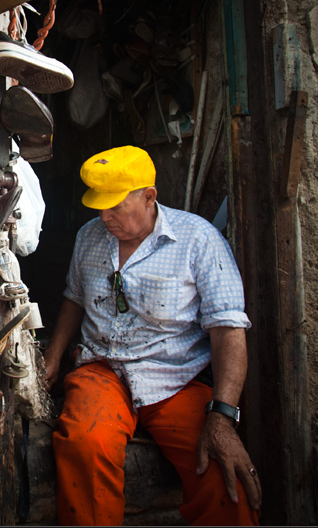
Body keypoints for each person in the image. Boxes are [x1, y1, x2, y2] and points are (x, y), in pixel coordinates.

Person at [44, 145, 262, 526]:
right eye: (100, 206)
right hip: (102, 370)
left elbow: (228, 331)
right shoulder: (89, 237)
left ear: (149, 197)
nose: (104, 216)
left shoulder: (198, 240)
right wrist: (53, 355)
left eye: (115, 206)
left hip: (176, 378)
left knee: (224, 480)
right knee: (84, 445)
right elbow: (74, 299)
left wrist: (223, 417)